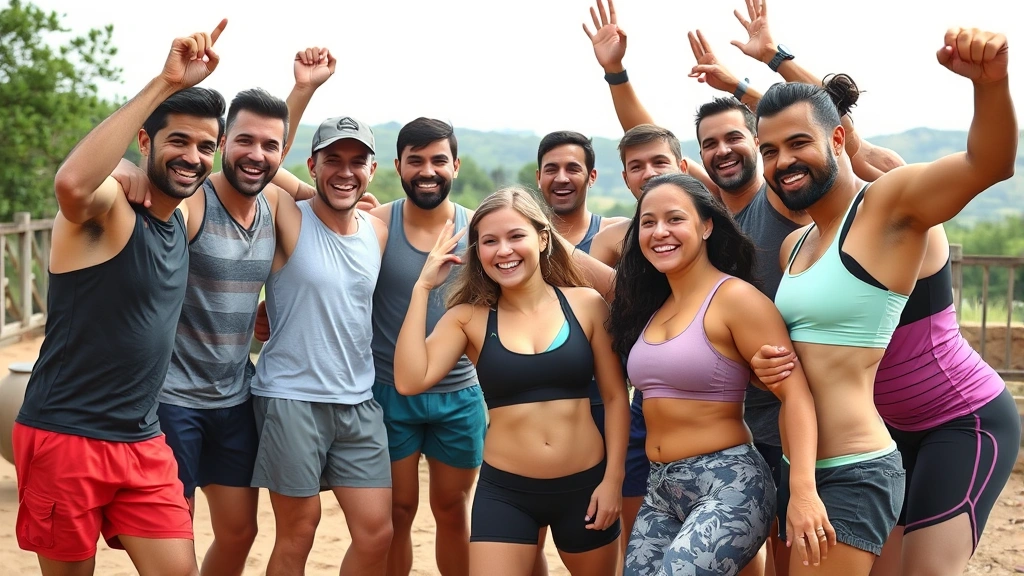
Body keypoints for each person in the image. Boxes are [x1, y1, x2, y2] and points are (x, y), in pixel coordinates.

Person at [734, 5, 1022, 573]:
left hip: (957, 418)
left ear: (838, 139)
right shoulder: (795, 246)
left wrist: (990, 86)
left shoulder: (890, 206)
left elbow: (989, 162)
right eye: (768, 151)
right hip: (853, 444)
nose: (782, 161)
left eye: (798, 144)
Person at [110, 47, 339, 576]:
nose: (256, 154)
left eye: (269, 145)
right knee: (175, 542)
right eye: (242, 141)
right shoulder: (194, 202)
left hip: (234, 398)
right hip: (170, 402)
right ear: (221, 144)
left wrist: (302, 90)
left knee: (240, 532)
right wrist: (126, 166)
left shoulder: (275, 208)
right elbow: (150, 173)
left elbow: (273, 155)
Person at [12, 21, 227, 576]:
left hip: (142, 439)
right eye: (177, 140)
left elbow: (261, 169)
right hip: (67, 436)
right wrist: (165, 83)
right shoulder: (109, 208)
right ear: (146, 140)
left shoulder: (180, 213)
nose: (192, 157)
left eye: (206, 147)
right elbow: (74, 185)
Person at [394, 187, 629, 576]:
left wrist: (612, 481)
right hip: (506, 493)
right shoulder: (467, 318)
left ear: (542, 237)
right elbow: (409, 379)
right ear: (478, 251)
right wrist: (422, 289)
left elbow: (615, 397)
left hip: (586, 489)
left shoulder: (586, 303)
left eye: (515, 236)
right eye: (489, 241)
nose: (503, 250)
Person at [606, 172, 828, 575]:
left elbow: (796, 395)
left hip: (730, 484)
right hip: (661, 489)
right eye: (648, 222)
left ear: (706, 225)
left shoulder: (736, 299)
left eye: (675, 219)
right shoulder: (652, 308)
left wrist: (803, 491)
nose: (660, 232)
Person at [251, 114, 393, 576]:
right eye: (333, 160)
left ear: (372, 170)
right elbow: (261, 159)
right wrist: (304, 89)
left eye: (357, 162)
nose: (345, 171)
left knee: (377, 534)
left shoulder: (378, 230)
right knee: (300, 529)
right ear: (311, 164)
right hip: (291, 397)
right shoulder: (288, 215)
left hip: (358, 400)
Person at [368, 118, 486, 576]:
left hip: (459, 393)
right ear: (397, 166)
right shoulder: (376, 224)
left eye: (439, 159)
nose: (428, 170)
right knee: (397, 513)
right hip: (388, 391)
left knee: (453, 510)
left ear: (455, 164)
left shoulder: (477, 229)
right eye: (415, 160)